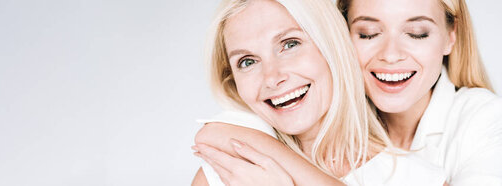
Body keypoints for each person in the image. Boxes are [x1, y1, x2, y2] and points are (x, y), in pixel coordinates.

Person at [194, 0, 502, 185]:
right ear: (343, 37)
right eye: (368, 33)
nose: (391, 55)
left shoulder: (476, 125)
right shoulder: (238, 159)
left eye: (417, 33)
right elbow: (213, 134)